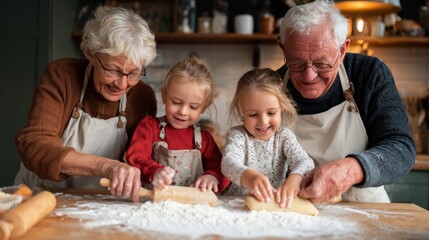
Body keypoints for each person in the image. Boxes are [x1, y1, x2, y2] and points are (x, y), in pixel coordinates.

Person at [14, 6, 157, 203]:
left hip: (100, 203)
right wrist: (105, 166)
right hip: (39, 197)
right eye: (113, 70)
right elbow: (35, 144)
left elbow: (141, 158)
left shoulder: (143, 96)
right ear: (91, 54)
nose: (122, 84)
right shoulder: (61, 75)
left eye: (133, 73)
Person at [277, 0, 415, 203]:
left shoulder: (369, 74)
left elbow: (401, 149)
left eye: (321, 63)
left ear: (342, 51)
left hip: (365, 210)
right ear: (283, 49)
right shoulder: (271, 86)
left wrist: (351, 169)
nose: (308, 76)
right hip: (293, 211)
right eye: (296, 64)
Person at [126, 56, 230, 193]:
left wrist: (213, 177)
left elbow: (224, 169)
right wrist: (155, 172)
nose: (183, 111)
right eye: (176, 102)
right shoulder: (150, 127)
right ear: (164, 95)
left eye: (193, 107)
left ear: (204, 107)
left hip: (190, 209)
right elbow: (136, 157)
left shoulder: (203, 138)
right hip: (152, 206)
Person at [221, 68, 314, 208]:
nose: (263, 122)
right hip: (236, 205)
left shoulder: (284, 136)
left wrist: (294, 180)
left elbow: (305, 162)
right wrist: (250, 177)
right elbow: (228, 163)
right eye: (253, 114)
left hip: (271, 205)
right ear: (241, 111)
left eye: (271, 113)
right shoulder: (238, 135)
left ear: (281, 107)